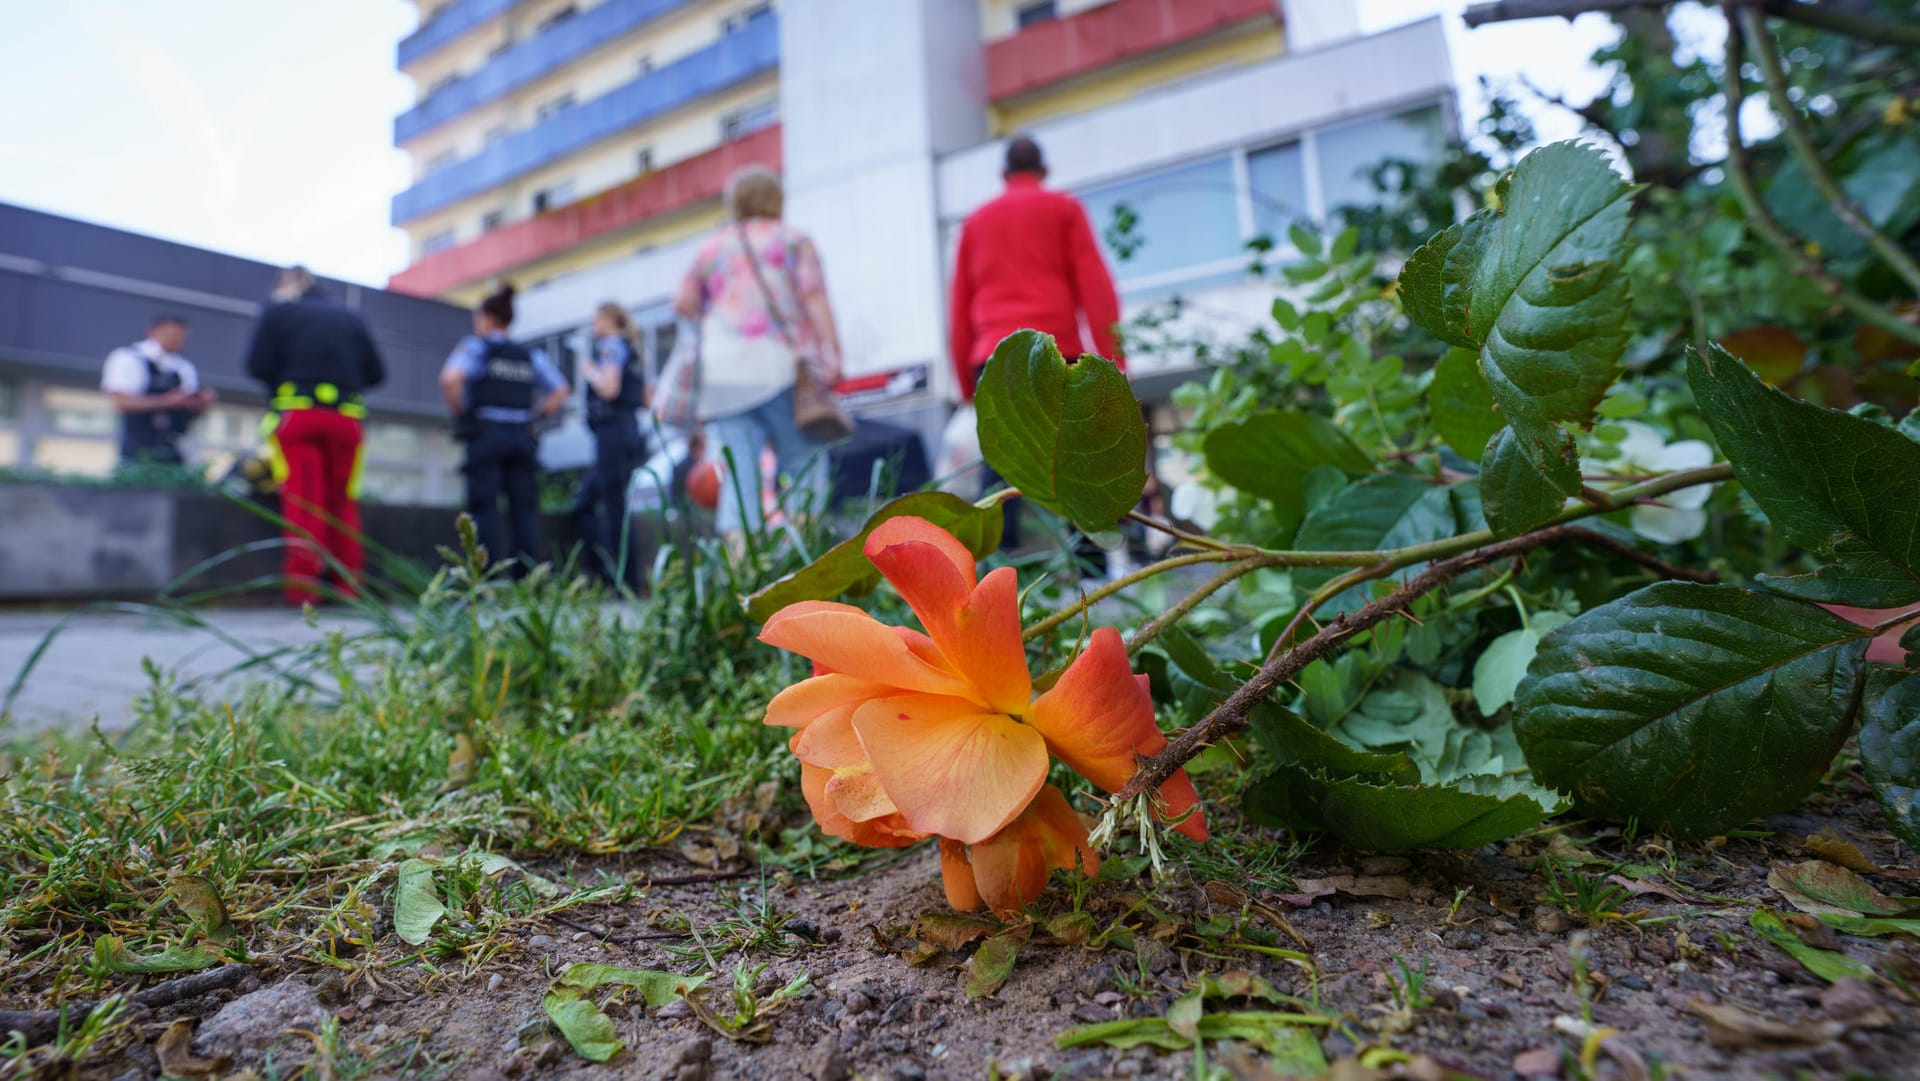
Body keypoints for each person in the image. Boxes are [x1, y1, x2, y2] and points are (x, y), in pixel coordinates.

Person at [947, 135, 1125, 547]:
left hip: (994, 356)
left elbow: (959, 305)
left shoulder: (976, 223)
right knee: (1075, 452)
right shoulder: (1063, 209)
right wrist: (1114, 359)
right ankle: (1091, 563)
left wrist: (963, 382)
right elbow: (1095, 286)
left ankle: (999, 561)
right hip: (1056, 348)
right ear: (1043, 171)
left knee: (1002, 457)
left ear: (1003, 174)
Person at [673, 165, 843, 541]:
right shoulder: (793, 240)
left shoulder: (711, 247)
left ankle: (742, 578)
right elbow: (814, 297)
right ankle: (802, 569)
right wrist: (833, 352)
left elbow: (683, 303)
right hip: (778, 366)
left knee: (739, 474)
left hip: (722, 377)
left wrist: (721, 320)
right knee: (803, 462)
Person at [245, 266, 387, 605]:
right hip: (347, 419)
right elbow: (377, 373)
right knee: (343, 502)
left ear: (284, 285)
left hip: (298, 415)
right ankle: (348, 587)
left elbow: (256, 365)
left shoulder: (278, 311)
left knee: (303, 501)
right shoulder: (352, 318)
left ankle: (304, 592)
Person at [440, 284, 568, 573]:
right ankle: (525, 580)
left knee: (483, 507)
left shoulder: (477, 347)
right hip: (522, 436)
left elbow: (450, 379)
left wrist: (463, 414)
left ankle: (481, 579)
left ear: (487, 317)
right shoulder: (528, 354)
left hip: (487, 434)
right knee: (523, 510)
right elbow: (561, 390)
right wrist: (536, 414)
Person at [575, 302, 649, 587]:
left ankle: (616, 578)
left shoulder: (612, 346)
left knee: (610, 505)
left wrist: (590, 371)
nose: (594, 327)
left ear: (609, 319)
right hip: (628, 432)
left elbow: (609, 388)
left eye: (596, 320)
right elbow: (646, 398)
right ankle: (618, 576)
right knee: (605, 503)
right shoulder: (633, 350)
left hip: (613, 435)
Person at [102, 315, 215, 467]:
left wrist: (200, 402)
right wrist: (168, 401)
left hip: (175, 451)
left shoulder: (184, 367)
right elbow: (121, 402)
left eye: (181, 337)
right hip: (137, 452)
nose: (176, 340)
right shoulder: (128, 358)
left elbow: (190, 410)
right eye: (171, 335)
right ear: (153, 332)